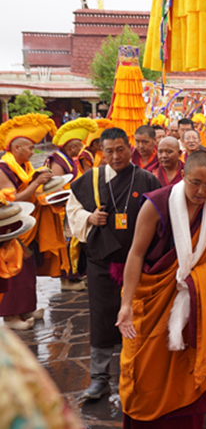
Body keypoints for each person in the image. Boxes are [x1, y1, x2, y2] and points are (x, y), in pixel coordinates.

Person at [116, 151, 206, 428]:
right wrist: (125, 305)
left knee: (187, 373)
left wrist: (196, 281)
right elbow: (136, 254)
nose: (202, 191)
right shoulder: (157, 204)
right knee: (143, 373)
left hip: (194, 305)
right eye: (195, 182)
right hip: (153, 298)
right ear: (184, 175)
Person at [67, 127, 161, 401]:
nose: (116, 156)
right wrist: (89, 217)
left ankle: (135, 372)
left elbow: (161, 216)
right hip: (101, 260)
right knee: (101, 317)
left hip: (139, 262)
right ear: (102, 152)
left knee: (139, 317)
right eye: (109, 151)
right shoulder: (91, 179)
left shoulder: (146, 179)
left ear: (129, 148)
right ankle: (99, 378)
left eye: (120, 149)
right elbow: (72, 210)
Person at [0, 114, 57, 330]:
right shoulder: (3, 168)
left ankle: (26, 308)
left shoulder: (23, 166)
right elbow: (13, 200)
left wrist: (40, 179)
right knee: (12, 270)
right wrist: (36, 183)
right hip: (10, 228)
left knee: (26, 269)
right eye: (30, 148)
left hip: (24, 225)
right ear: (17, 149)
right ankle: (11, 317)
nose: (33, 152)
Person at [47, 118, 98, 291]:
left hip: (72, 203)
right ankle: (68, 279)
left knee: (75, 240)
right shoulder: (58, 160)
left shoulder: (68, 158)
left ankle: (76, 274)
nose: (79, 150)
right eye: (77, 146)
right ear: (70, 147)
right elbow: (56, 185)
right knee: (67, 242)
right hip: (63, 207)